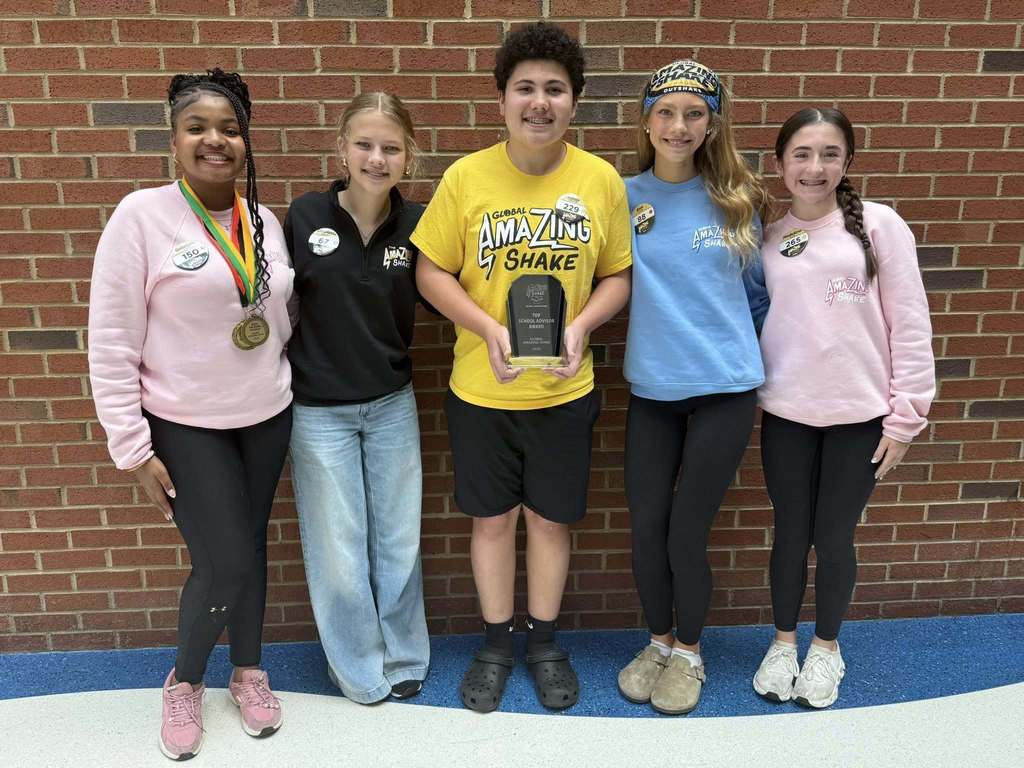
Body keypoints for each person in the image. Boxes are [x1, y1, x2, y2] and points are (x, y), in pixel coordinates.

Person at [411, 21, 632, 712]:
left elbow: (618, 277)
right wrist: (483, 326)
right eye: (526, 88)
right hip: (483, 390)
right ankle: (495, 643)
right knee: (492, 523)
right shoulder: (466, 177)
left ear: (575, 102)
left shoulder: (600, 181)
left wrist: (584, 324)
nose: (540, 102)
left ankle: (544, 642)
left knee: (550, 523)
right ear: (502, 99)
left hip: (566, 390)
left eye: (556, 90)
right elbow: (429, 270)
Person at [88, 69, 292, 760]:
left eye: (231, 129)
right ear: (173, 138)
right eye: (198, 127)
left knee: (252, 547)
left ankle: (249, 670)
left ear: (247, 141)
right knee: (224, 561)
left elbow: (277, 316)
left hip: (265, 414)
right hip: (183, 423)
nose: (216, 140)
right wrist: (131, 445)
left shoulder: (263, 220)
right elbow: (112, 338)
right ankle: (187, 679)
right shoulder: (139, 216)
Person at [751, 107, 934, 709]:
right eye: (801, 154)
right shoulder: (770, 238)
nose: (815, 167)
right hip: (786, 414)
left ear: (847, 163)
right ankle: (783, 643)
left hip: (860, 420)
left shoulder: (879, 226)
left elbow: (909, 324)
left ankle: (826, 648)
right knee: (788, 535)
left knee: (833, 539)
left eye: (829, 154)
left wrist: (906, 418)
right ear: (779, 164)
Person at [617, 60, 771, 716]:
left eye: (694, 114)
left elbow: (761, 298)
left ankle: (689, 653)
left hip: (725, 390)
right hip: (652, 389)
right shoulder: (619, 196)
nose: (679, 126)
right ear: (647, 119)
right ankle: (656, 642)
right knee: (647, 528)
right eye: (666, 112)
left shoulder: (739, 197)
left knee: (686, 531)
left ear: (711, 124)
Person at [285, 92, 430, 704]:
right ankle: (356, 665)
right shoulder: (303, 215)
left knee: (399, 538)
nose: (377, 158)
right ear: (341, 148)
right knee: (338, 549)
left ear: (408, 157)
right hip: (319, 410)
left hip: (393, 400)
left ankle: (403, 653)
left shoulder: (419, 223)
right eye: (365, 145)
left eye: (390, 148)